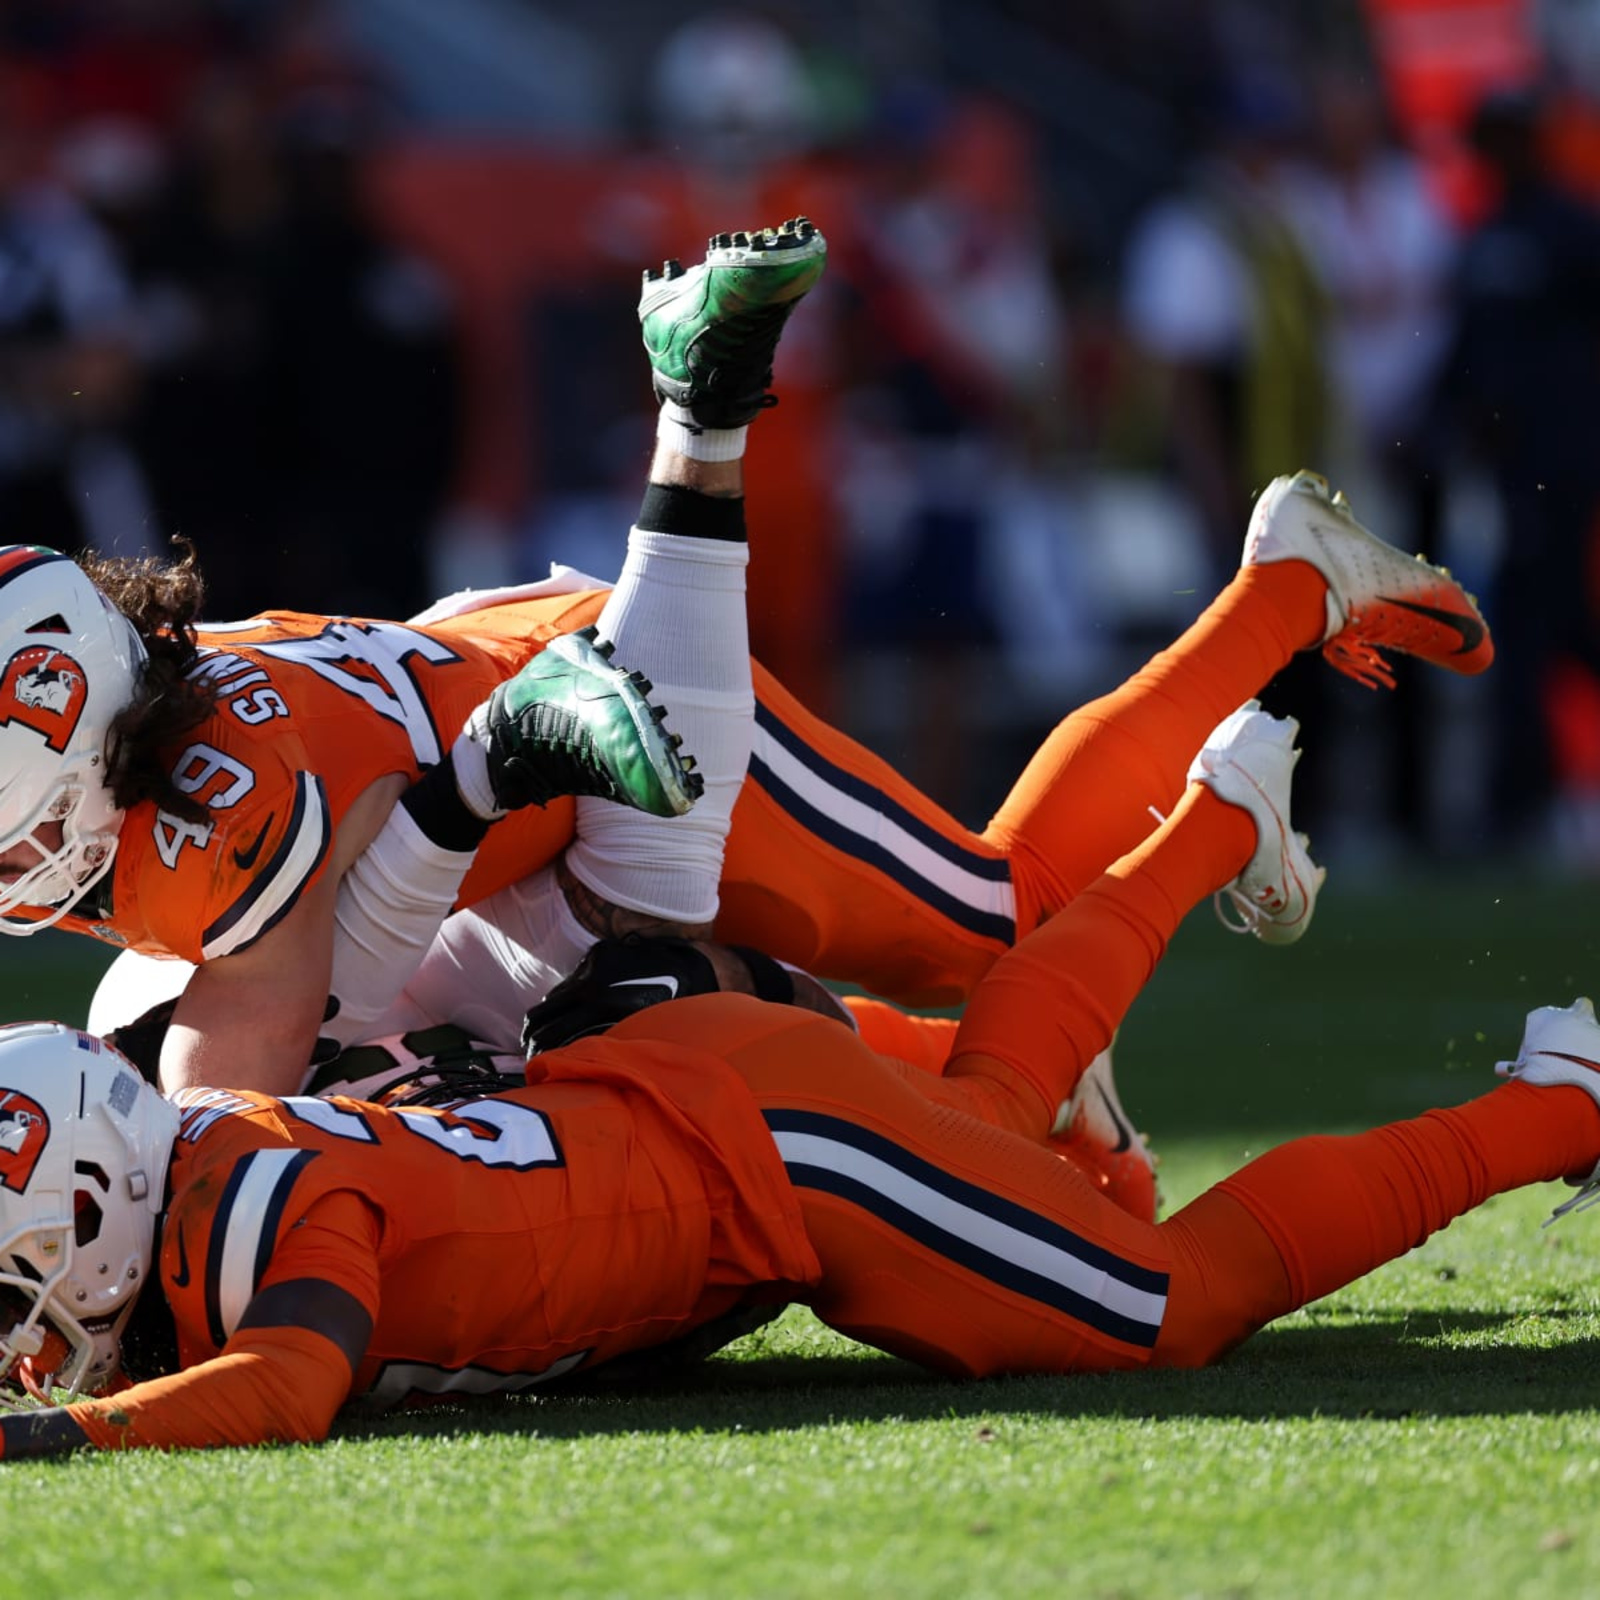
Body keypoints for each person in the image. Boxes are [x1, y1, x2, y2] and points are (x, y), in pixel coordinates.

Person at [4, 217, 1491, 1100]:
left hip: (604, 725)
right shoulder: (155, 699)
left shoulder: (207, 824)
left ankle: (1284, 595)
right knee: (647, 1049)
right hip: (508, 762)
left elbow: (218, 1133)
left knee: (994, 922)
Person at [2, 702, 1597, 1458]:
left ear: (97, 1195)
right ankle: (1214, 819)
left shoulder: (272, 1208)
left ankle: (1564, 1099)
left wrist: (68, 1444)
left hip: (755, 1151)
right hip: (686, 1098)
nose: (20, 1336)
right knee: (983, 1113)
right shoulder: (224, 1146)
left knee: (1166, 1307)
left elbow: (291, 1388)